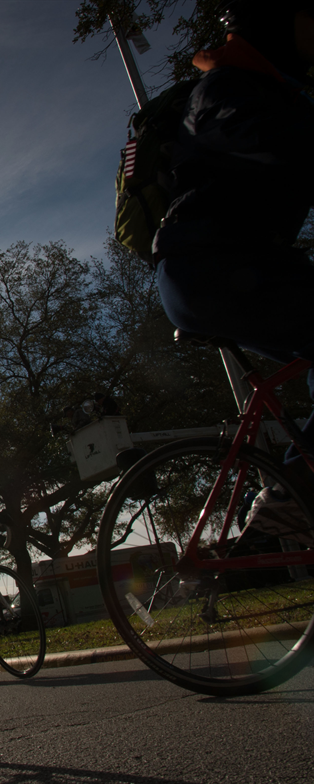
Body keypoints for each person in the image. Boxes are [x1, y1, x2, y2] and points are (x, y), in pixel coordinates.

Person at [153, 0, 314, 539]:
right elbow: (266, 139)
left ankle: (294, 484)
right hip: (213, 269)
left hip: (225, 265)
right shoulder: (224, 90)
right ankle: (295, 488)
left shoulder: (269, 90)